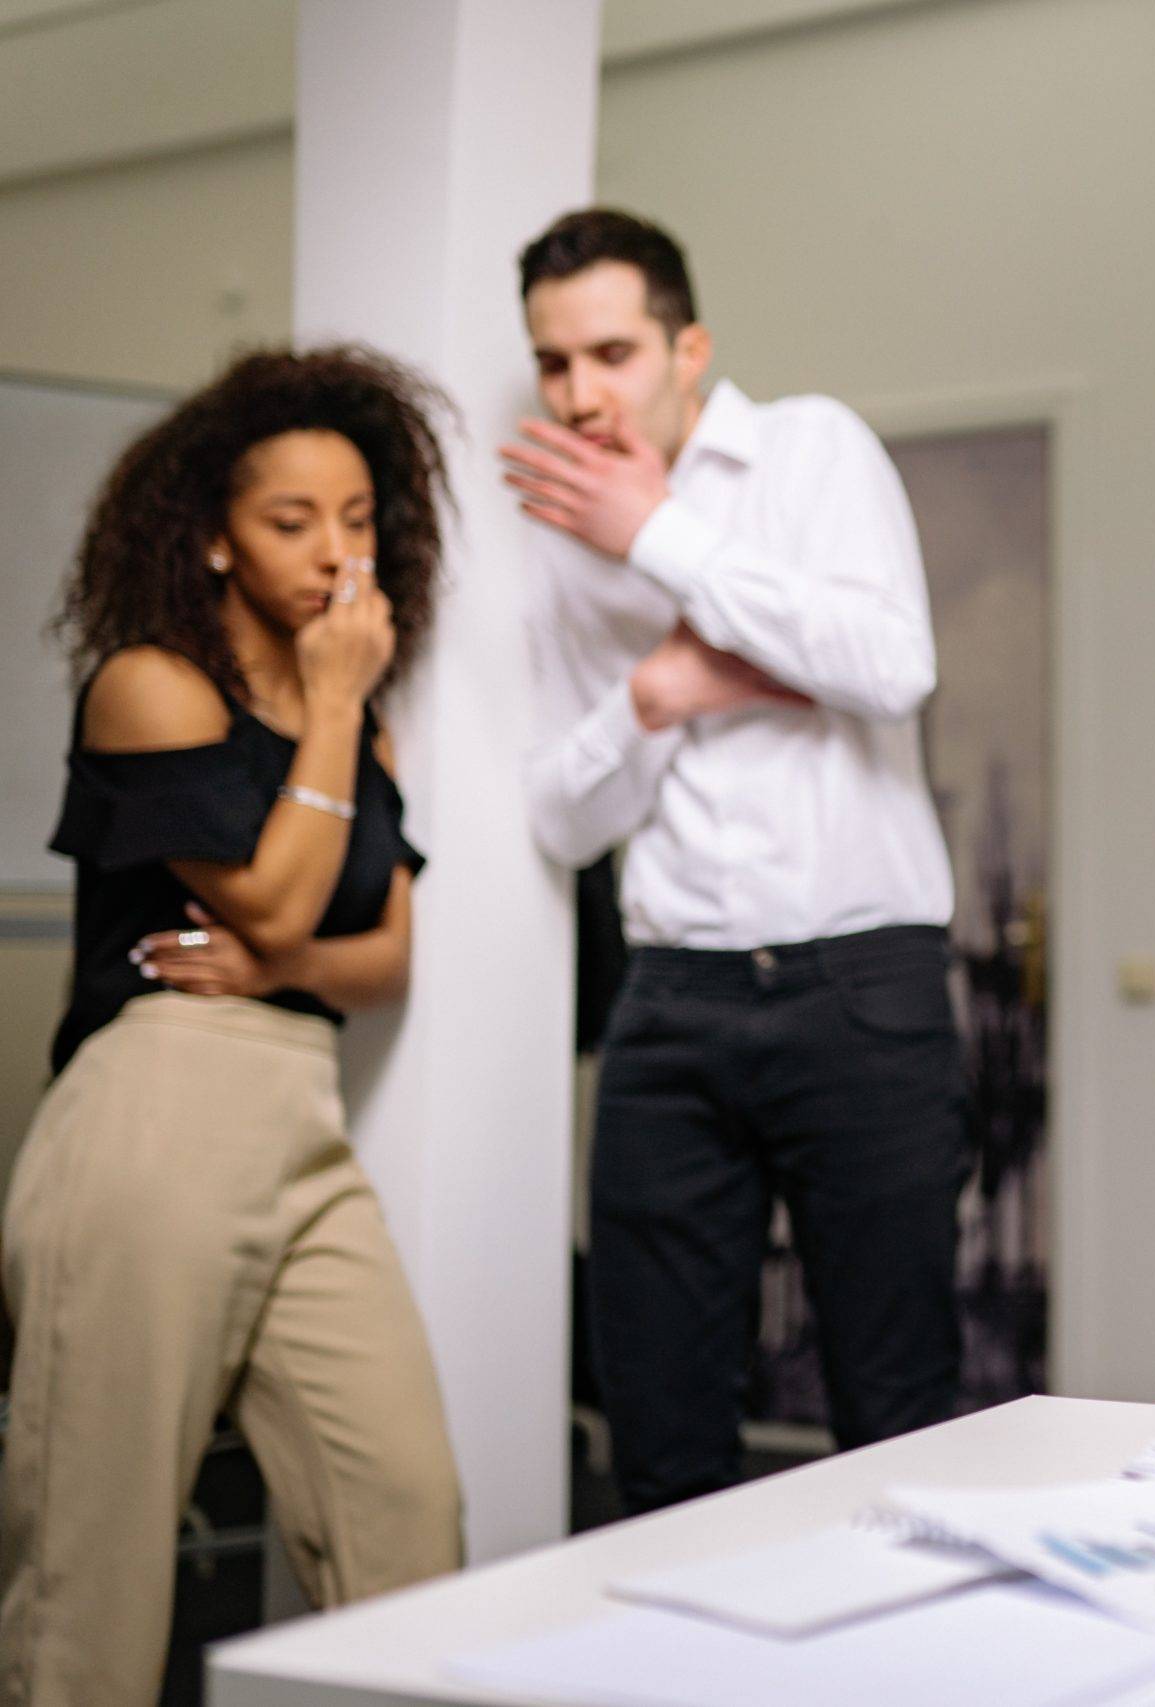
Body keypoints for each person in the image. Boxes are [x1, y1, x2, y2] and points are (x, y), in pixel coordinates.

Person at [0, 348, 463, 1707]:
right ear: (209, 534)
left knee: (408, 1514)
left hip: (299, 1115)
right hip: (153, 1112)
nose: (336, 552)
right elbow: (272, 889)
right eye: (292, 519)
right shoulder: (152, 683)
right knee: (99, 1568)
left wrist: (277, 967)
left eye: (361, 518)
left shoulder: (357, 735)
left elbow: (376, 959)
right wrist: (327, 705)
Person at [502, 208, 965, 1514]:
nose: (582, 394)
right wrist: (660, 693)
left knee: (898, 1420)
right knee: (659, 1433)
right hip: (670, 1006)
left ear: (687, 346)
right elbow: (557, 814)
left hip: (861, 993)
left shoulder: (812, 450)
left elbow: (889, 665)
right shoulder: (550, 543)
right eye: (553, 363)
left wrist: (657, 536)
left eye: (612, 352)